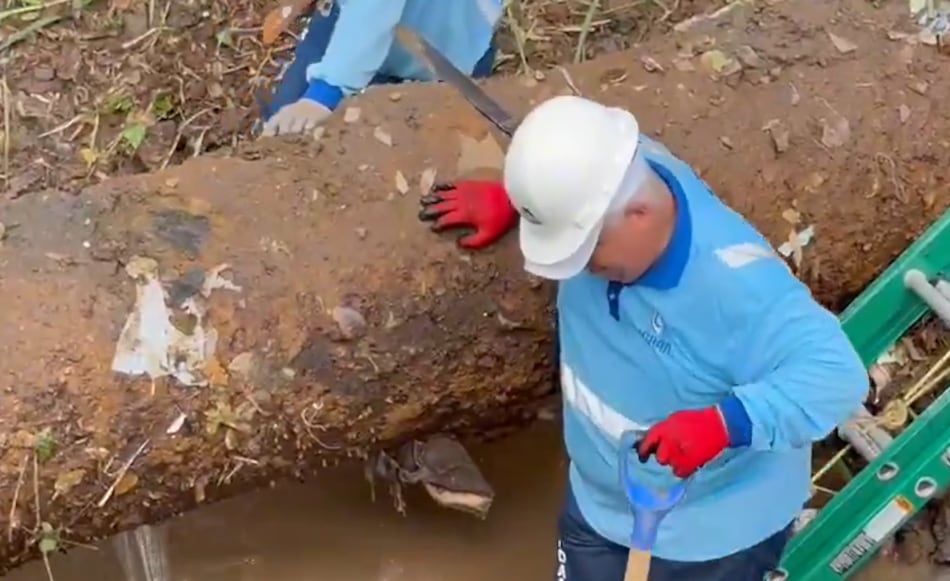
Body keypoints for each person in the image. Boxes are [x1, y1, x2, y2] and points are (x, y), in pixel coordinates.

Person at [419, 95, 869, 580]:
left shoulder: (737, 286)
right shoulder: (629, 171)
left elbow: (838, 376)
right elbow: (580, 165)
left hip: (708, 538)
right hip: (600, 503)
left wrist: (723, 424)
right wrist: (532, 212)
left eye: (586, 247)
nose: (577, 266)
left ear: (638, 214)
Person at [261, 0, 501, 136]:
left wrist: (324, 93)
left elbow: (373, 9)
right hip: (356, 16)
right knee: (287, 114)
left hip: (441, 41)